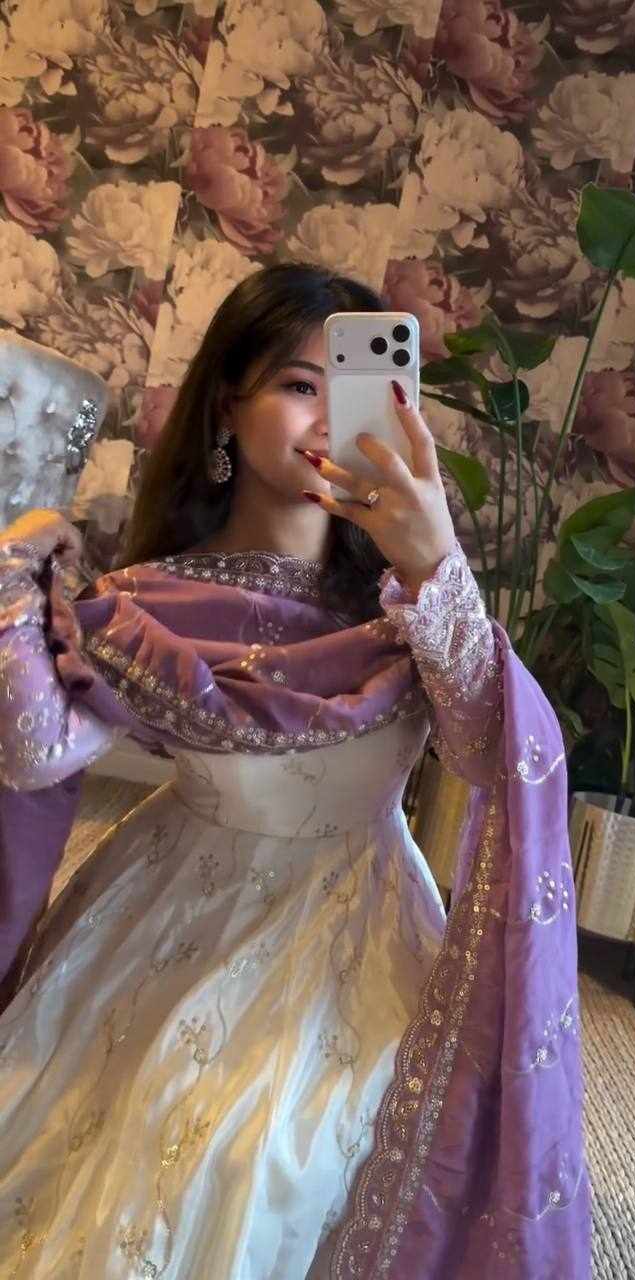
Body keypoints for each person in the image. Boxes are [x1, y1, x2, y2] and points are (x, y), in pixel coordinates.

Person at [0, 263, 590, 1279]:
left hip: (359, 913)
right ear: (226, 406)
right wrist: (16, 571)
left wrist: (433, 560)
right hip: (171, 909)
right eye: (297, 383)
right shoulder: (144, 601)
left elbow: (489, 744)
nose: (325, 418)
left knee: (304, 1133)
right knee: (132, 1123)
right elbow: (37, 751)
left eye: (352, 388)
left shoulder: (406, 606)